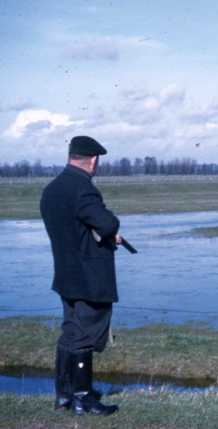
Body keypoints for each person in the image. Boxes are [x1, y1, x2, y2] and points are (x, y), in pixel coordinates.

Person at [40, 136, 122, 415]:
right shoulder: (83, 190)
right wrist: (111, 230)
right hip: (89, 278)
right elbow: (107, 223)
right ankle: (83, 400)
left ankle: (64, 397)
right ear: (94, 160)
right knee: (85, 336)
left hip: (66, 275)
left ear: (70, 156)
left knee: (71, 334)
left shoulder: (52, 188)